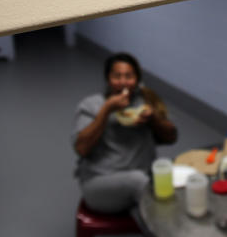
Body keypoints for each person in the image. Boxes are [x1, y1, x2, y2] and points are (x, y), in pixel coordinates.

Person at [72, 52, 178, 213]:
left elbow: (172, 137)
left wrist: (153, 118)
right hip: (100, 182)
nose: (123, 82)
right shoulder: (91, 105)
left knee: (172, 174)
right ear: (108, 79)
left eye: (129, 76)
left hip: (143, 175)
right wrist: (106, 110)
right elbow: (81, 148)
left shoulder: (145, 101)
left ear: (137, 80)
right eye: (117, 76)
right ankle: (159, 233)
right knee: (138, 182)